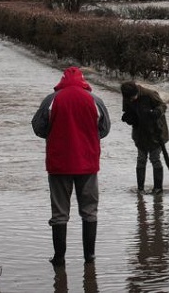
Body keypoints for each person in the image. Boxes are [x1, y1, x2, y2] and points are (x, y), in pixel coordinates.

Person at [32, 66, 111, 266]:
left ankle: (59, 258)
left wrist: (54, 136)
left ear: (62, 80)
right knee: (90, 210)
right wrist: (88, 140)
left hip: (59, 164)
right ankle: (89, 257)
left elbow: (38, 127)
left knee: (59, 212)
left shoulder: (51, 99)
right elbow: (105, 129)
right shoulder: (95, 100)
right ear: (83, 80)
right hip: (88, 163)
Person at [120, 81, 169, 195]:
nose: (131, 100)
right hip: (140, 133)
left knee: (155, 158)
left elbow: (163, 105)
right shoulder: (126, 97)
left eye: (133, 97)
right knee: (141, 159)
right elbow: (127, 111)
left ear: (137, 91)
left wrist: (157, 112)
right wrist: (129, 118)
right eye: (129, 98)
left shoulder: (150, 94)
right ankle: (140, 188)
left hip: (156, 133)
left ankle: (158, 188)